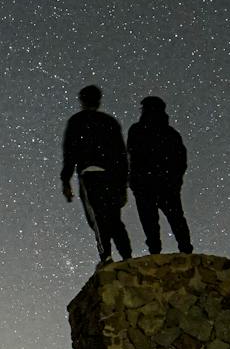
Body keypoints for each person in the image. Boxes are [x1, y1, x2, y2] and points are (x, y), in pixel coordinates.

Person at [60, 84, 131, 266]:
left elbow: (70, 152)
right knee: (114, 218)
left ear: (82, 101)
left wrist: (66, 180)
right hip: (112, 176)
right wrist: (123, 183)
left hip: (90, 174)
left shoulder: (77, 121)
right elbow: (121, 154)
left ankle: (106, 256)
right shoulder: (110, 122)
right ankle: (127, 256)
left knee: (97, 217)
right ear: (98, 101)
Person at [126, 95, 192, 255]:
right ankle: (185, 250)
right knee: (175, 218)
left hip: (146, 184)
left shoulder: (137, 130)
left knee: (150, 220)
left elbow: (131, 155)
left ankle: (155, 251)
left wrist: (133, 179)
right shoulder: (171, 134)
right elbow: (181, 160)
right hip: (164, 184)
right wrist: (175, 181)